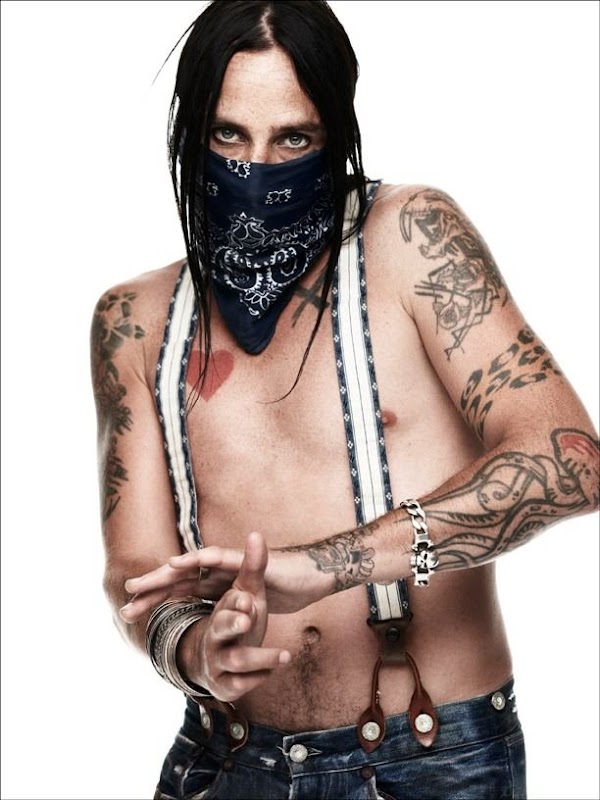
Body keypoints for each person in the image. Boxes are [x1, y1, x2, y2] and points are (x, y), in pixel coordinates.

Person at [90, 1, 599, 797]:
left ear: (334, 131)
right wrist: (192, 650)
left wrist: (328, 566)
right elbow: (137, 569)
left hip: (426, 760)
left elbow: (569, 463)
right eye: (229, 136)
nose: (258, 168)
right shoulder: (135, 320)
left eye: (293, 139)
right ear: (190, 132)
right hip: (224, 762)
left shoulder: (413, 241)